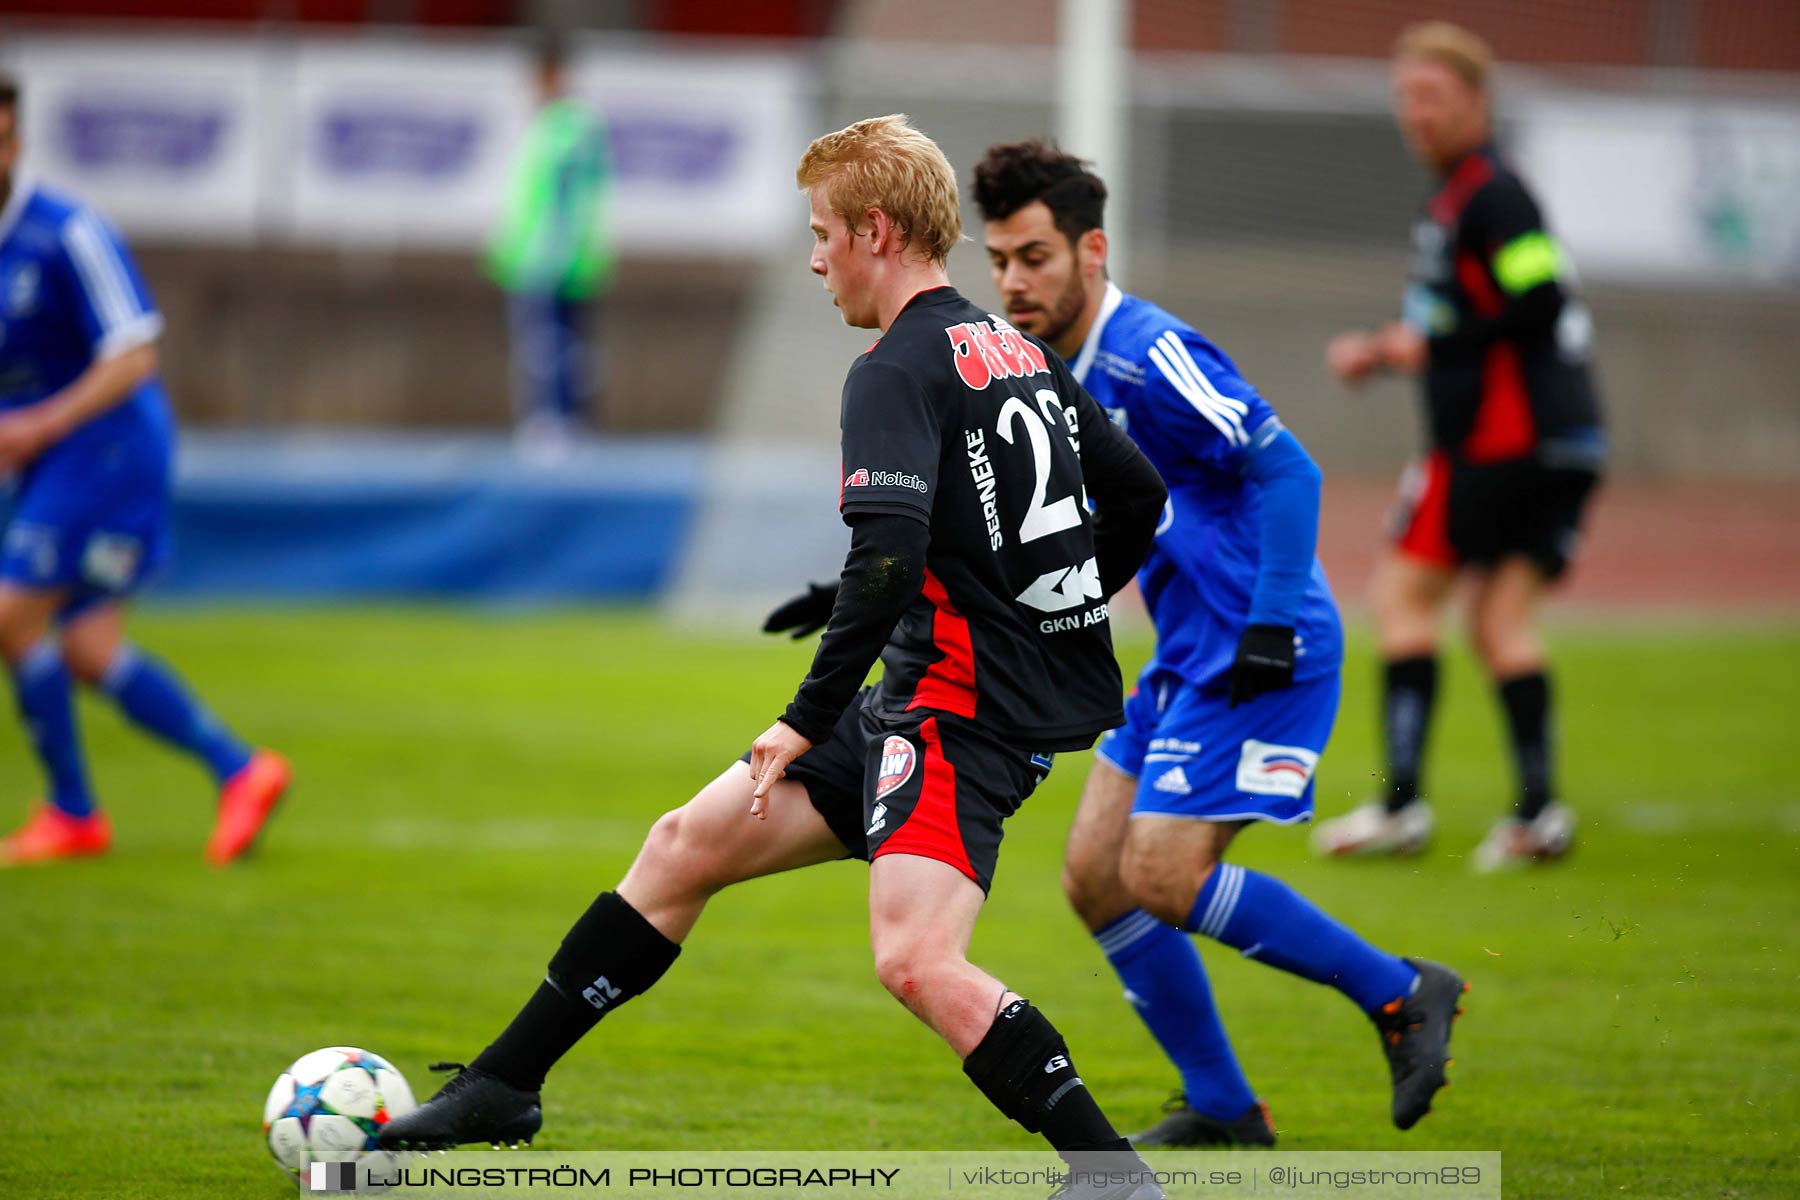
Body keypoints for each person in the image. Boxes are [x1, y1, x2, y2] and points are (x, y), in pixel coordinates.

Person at [383, 115, 1170, 1199]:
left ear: (875, 231)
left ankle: (1111, 1172)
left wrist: (805, 717)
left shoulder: (893, 368)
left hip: (957, 711)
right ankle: (503, 1085)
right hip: (934, 691)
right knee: (683, 846)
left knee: (915, 960)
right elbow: (1134, 496)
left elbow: (887, 562)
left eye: (822, 233)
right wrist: (1047, 607)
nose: (814, 259)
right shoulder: (1011, 347)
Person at [971, 139, 1466, 1146]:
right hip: (1189, 650)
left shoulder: (1147, 355)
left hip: (1260, 645)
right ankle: (1226, 1109)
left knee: (1160, 873)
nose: (1014, 281)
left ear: (1092, 249)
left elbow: (1291, 473)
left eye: (1034, 256)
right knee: (1095, 874)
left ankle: (1401, 992)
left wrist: (1276, 618)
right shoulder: (1050, 370)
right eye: (1001, 260)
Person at [1314, 22, 1605, 871]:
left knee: (1403, 597)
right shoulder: (1456, 203)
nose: (1418, 113)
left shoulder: (1494, 196)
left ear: (1478, 102)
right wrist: (1391, 347)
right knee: (1499, 619)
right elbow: (1475, 316)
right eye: (1407, 97)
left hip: (1498, 444)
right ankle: (1538, 813)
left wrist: (1430, 348)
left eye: (1434, 96)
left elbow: (1541, 299)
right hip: (1548, 440)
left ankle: (1402, 805)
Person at [0, 77, 289, 867]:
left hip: (107, 450)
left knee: (12, 618)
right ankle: (241, 768)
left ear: (16, 143)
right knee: (90, 648)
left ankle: (73, 814)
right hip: (54, 458)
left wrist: (39, 426)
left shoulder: (66, 233)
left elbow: (133, 352)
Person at [490, 42, 615, 454]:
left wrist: (556, 251)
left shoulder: (572, 126)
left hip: (557, 259)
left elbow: (568, 198)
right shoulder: (540, 124)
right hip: (530, 257)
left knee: (559, 345)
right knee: (540, 345)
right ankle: (546, 419)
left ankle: (565, 421)